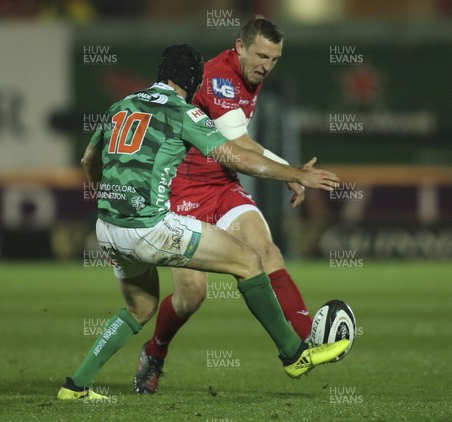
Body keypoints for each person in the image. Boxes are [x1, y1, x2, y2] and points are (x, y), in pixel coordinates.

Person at [57, 44, 348, 400]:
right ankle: (294, 354)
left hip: (108, 229)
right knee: (248, 260)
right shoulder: (182, 111)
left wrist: (106, 196)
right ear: (193, 81)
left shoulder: (122, 105)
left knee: (141, 308)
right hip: (151, 229)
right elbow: (236, 157)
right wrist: (295, 174)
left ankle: (76, 386)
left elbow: (89, 158)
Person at [134, 16, 317, 395]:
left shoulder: (251, 75)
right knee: (191, 296)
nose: (267, 65)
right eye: (261, 55)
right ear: (240, 47)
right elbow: (240, 148)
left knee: (267, 251)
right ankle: (154, 352)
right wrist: (292, 173)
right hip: (182, 191)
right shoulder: (219, 76)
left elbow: (235, 153)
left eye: (275, 58)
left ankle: (307, 344)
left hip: (222, 187)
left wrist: (289, 173)